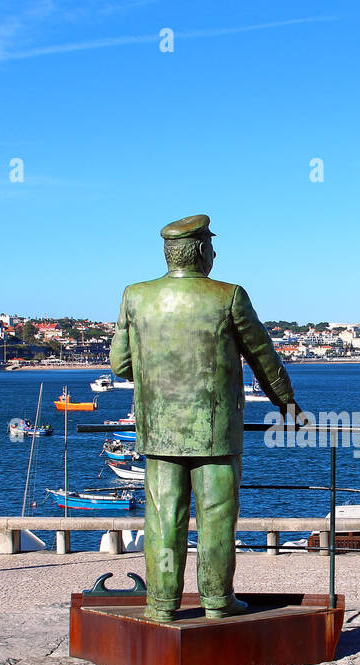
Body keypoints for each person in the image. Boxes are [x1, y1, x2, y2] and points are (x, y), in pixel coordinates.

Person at [109, 214, 302, 621]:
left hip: (159, 432)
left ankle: (161, 606)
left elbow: (121, 364)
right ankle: (217, 601)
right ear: (200, 250)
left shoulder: (135, 295)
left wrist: (161, 376)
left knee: (162, 520)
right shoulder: (228, 295)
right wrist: (286, 403)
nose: (215, 253)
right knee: (216, 519)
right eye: (212, 246)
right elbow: (263, 358)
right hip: (215, 433)